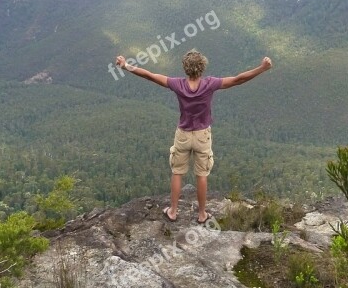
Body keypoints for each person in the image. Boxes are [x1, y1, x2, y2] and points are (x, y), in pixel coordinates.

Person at [115, 50, 272, 224]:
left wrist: (126, 65)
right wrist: (262, 68)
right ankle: (202, 214)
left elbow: (149, 75)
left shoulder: (177, 84)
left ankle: (173, 211)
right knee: (202, 174)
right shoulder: (210, 84)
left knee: (177, 172)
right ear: (202, 67)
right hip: (202, 135)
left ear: (185, 68)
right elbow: (238, 79)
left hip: (183, 134)